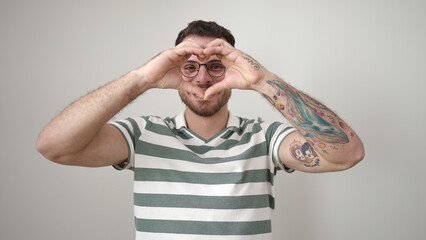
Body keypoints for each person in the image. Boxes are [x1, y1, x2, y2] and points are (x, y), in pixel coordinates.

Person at [36, 20, 364, 239]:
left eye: (216, 67)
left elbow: (347, 153)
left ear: (232, 69)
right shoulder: (142, 134)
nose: (203, 78)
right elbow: (54, 146)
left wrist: (262, 80)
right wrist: (142, 80)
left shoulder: (263, 138)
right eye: (189, 67)